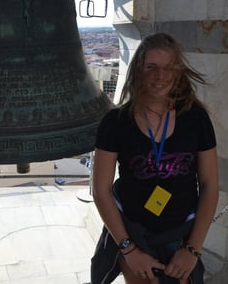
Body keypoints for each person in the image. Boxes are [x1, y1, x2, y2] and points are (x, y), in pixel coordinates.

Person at [91, 32, 218, 284]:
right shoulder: (115, 123)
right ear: (138, 70)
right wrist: (128, 250)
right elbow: (101, 190)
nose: (160, 76)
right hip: (134, 234)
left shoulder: (196, 119)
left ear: (179, 72)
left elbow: (210, 185)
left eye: (169, 68)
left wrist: (192, 249)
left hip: (180, 236)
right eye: (151, 67)